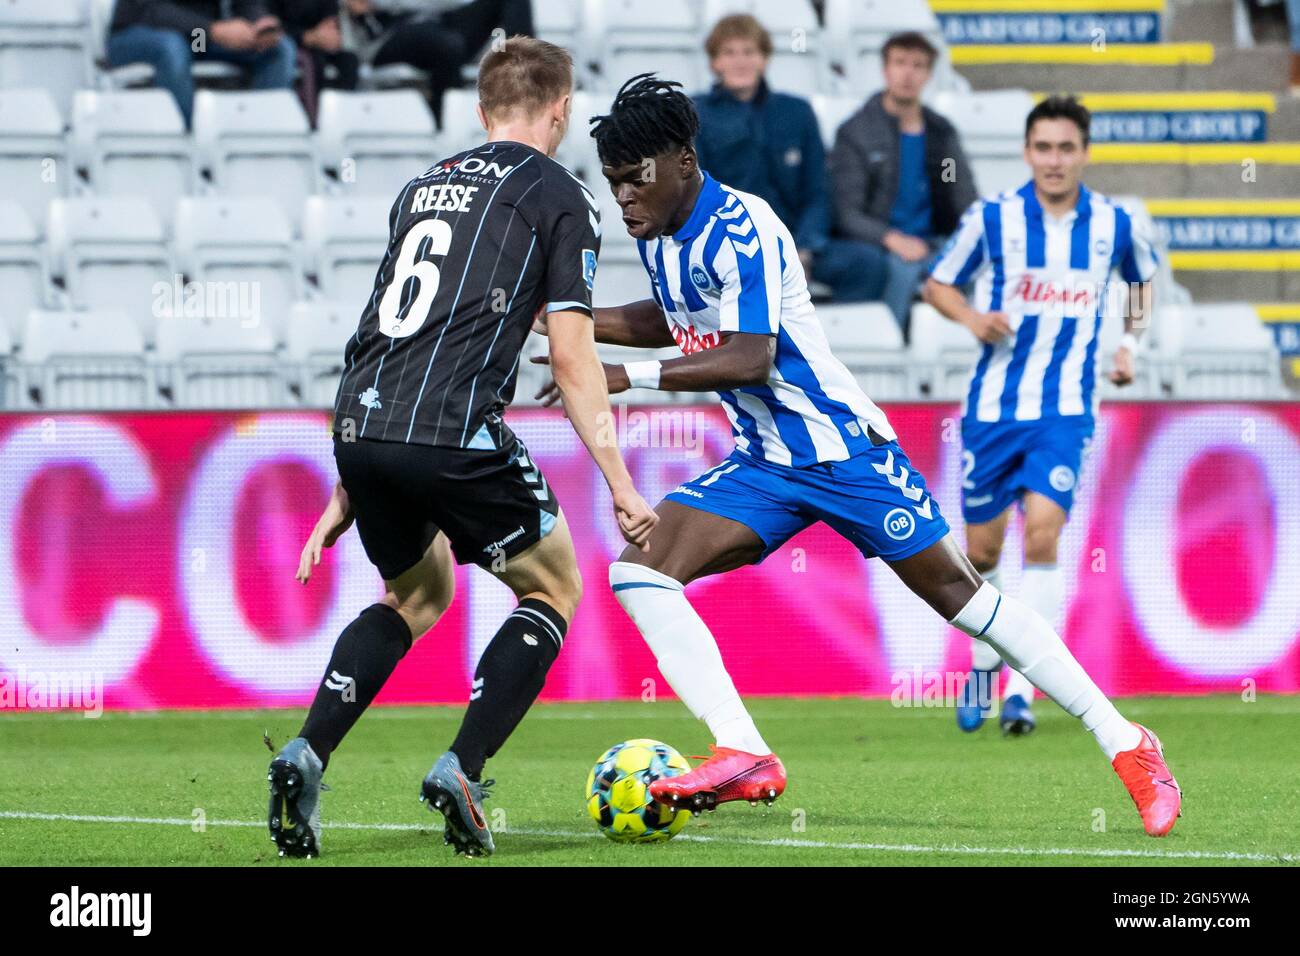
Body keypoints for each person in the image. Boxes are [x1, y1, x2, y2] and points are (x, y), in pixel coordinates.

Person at [534, 74, 1181, 838]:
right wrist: (571, 321)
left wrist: (619, 377)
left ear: (681, 161)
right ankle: (743, 749)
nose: (623, 200)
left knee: (966, 601)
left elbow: (749, 356)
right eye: (612, 185)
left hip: (846, 452)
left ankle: (1128, 742)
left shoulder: (744, 226)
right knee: (640, 572)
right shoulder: (663, 235)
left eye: (632, 181)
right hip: (767, 462)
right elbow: (675, 317)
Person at [271, 37, 658, 860]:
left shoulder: (421, 188)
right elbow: (573, 354)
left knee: (415, 595)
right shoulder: (564, 197)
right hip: (454, 433)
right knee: (554, 588)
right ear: (560, 112)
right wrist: (621, 482)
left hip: (362, 423)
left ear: (482, 114)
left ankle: (307, 750)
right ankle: (463, 766)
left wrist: (348, 483)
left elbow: (382, 329)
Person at [924, 95, 1156, 738]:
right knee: (981, 548)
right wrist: (973, 318)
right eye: (1044, 147)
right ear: (1028, 152)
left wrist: (1130, 345)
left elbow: (1143, 282)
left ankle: (1022, 689)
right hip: (994, 410)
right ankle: (981, 659)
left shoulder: (1113, 222)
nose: (1055, 160)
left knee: (1045, 538)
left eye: (1067, 147)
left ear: (1084, 152)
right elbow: (938, 282)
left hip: (1068, 410)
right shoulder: (993, 218)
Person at [692, 14, 878, 302]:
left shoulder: (798, 112)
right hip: (729, 245)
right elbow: (697, 191)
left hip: (795, 242)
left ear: (764, 59)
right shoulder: (696, 114)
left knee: (868, 264)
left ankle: (833, 337)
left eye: (749, 52)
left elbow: (818, 190)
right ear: (714, 63)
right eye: (729, 53)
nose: (740, 61)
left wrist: (805, 248)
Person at [829, 31, 977, 332]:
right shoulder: (857, 132)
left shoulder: (941, 134)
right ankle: (892, 349)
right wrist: (891, 238)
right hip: (883, 244)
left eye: (918, 65)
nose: (908, 73)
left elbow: (958, 191)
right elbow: (847, 213)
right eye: (900, 63)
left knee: (980, 265)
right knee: (902, 269)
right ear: (886, 69)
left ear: (929, 74)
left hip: (935, 242)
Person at [107, 0, 298, 127]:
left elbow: (246, 4)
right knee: (172, 47)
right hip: (134, 32)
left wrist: (258, 23)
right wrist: (211, 29)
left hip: (197, 37)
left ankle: (259, 142)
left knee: (279, 49)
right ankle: (186, 146)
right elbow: (153, 11)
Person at [341, 0, 534, 124]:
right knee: (447, 44)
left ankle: (527, 74)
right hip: (389, 34)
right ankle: (448, 126)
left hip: (441, 23)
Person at [273, 0, 360, 124]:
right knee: (311, 61)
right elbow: (273, 26)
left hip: (319, 43)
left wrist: (327, 35)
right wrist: (306, 37)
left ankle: (345, 121)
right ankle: (313, 122)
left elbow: (331, 22)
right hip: (287, 44)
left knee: (349, 60)